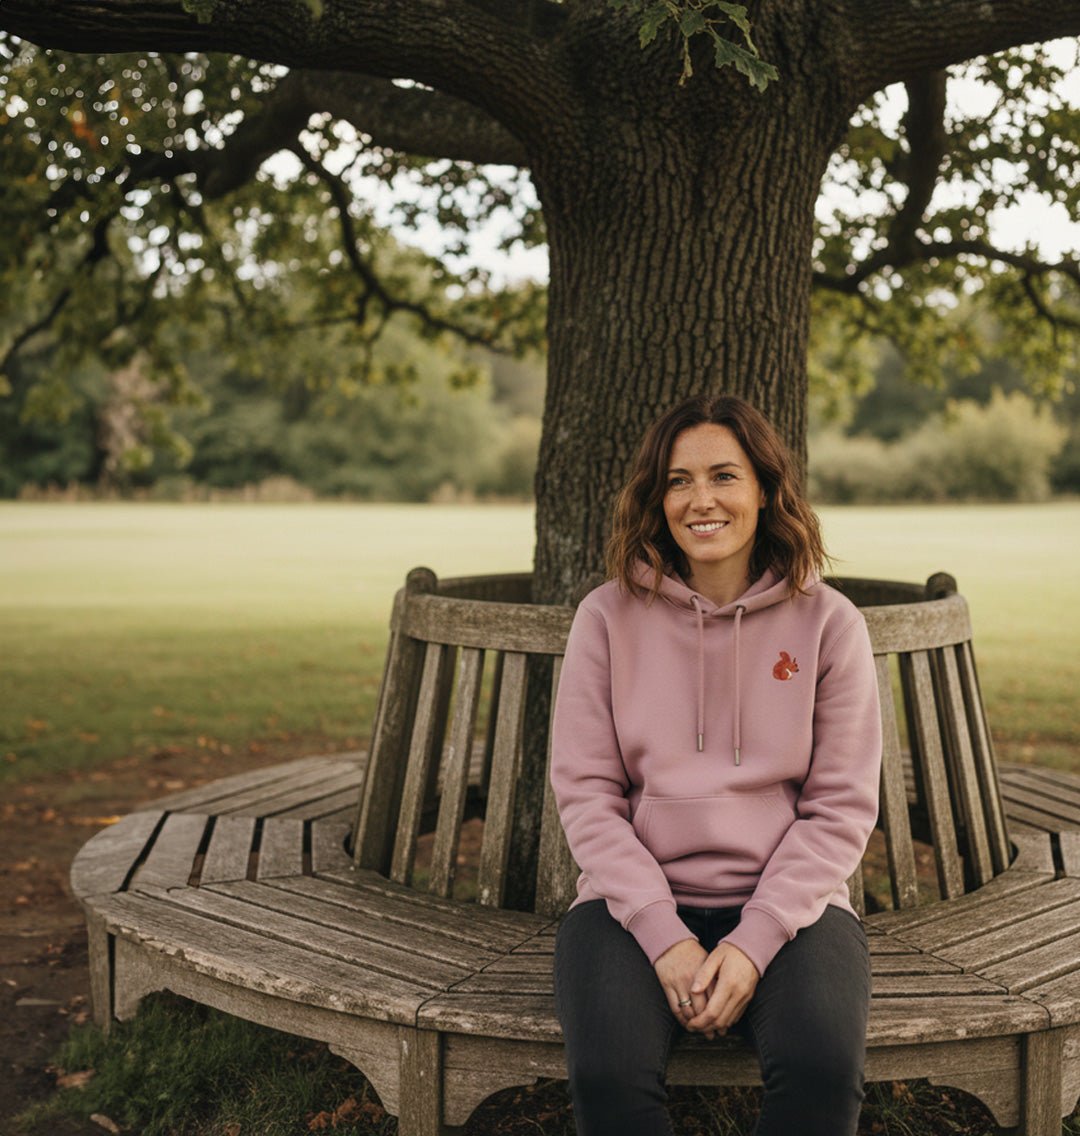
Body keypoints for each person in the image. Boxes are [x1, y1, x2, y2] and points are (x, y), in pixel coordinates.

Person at [550, 394, 882, 1136]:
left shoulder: (829, 623)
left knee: (822, 1073)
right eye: (678, 481)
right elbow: (586, 795)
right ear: (657, 498)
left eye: (724, 476)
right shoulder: (606, 616)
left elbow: (840, 808)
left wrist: (753, 941)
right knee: (607, 1078)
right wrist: (663, 934)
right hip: (628, 905)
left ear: (764, 490)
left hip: (793, 908)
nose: (700, 500)